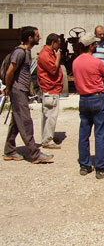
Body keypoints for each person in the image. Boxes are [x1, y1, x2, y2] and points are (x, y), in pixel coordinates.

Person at [3, 26, 54, 164]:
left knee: (16, 121)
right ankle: (35, 154)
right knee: (26, 122)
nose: (40, 38)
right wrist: (8, 89)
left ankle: (9, 150)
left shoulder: (26, 52)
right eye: (37, 36)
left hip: (21, 91)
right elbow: (9, 72)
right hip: (18, 91)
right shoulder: (20, 53)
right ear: (30, 38)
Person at [73, 32, 104, 179]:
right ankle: (102, 167)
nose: (96, 45)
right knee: (100, 133)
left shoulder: (76, 61)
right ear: (90, 46)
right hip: (97, 98)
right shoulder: (96, 62)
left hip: (83, 99)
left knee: (84, 133)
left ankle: (84, 165)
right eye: (95, 44)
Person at [37, 33, 63, 149]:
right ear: (53, 43)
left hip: (53, 88)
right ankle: (47, 140)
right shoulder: (45, 55)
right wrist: (58, 58)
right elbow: (53, 70)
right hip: (50, 88)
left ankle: (49, 136)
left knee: (50, 114)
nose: (59, 46)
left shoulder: (49, 53)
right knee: (50, 115)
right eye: (58, 43)